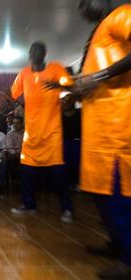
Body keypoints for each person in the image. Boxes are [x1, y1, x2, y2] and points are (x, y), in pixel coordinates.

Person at [51, 1, 131, 278]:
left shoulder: (123, 14)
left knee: (117, 190)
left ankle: (129, 257)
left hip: (118, 123)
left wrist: (100, 75)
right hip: (97, 124)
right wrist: (74, 90)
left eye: (85, 3)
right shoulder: (98, 31)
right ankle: (117, 242)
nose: (81, 10)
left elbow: (101, 75)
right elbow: (90, 80)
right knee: (98, 189)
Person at [10, 42, 74, 223]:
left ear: (44, 53)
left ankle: (67, 208)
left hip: (52, 133)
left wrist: (62, 92)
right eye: (31, 50)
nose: (33, 53)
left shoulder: (56, 68)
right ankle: (29, 205)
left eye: (37, 50)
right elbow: (13, 94)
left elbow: (70, 89)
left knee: (58, 175)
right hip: (31, 133)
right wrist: (12, 102)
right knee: (27, 172)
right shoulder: (23, 73)